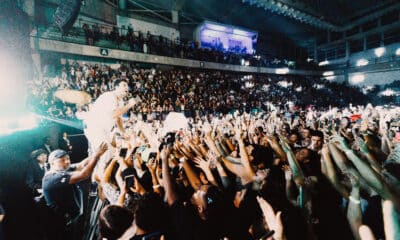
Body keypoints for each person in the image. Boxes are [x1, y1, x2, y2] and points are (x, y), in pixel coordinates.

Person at [42, 143, 107, 240]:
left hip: (73, 213)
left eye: (68, 158)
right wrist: (97, 156)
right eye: (63, 160)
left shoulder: (61, 170)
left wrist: (96, 154)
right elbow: (84, 174)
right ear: (52, 163)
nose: (67, 161)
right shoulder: (52, 178)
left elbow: (81, 165)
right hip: (64, 220)